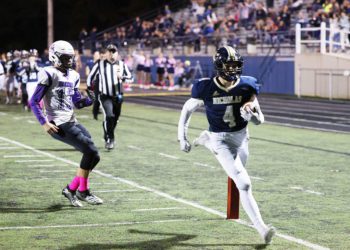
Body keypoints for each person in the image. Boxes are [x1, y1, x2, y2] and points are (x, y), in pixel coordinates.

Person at [177, 46, 275, 244]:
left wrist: (251, 115)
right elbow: (187, 109)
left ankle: (204, 141)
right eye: (228, 65)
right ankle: (262, 229)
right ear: (219, 66)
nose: (232, 69)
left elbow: (260, 120)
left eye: (235, 65)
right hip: (220, 138)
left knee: (239, 177)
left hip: (241, 137)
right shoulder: (205, 87)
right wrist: (182, 137)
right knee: (244, 183)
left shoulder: (247, 85)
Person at [30, 40, 103, 207]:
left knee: (94, 156)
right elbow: (33, 102)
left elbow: (76, 102)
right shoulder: (48, 73)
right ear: (55, 57)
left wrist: (89, 100)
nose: (69, 61)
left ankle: (71, 189)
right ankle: (83, 191)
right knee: (90, 150)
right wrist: (44, 123)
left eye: (70, 57)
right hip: (58, 123)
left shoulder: (74, 75)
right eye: (65, 57)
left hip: (71, 119)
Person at [87, 44, 132, 150]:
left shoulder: (122, 64)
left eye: (114, 51)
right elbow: (90, 79)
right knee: (109, 116)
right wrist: (92, 94)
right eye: (109, 51)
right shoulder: (100, 64)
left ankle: (107, 132)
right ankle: (110, 139)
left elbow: (130, 77)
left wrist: (122, 77)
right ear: (106, 53)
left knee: (115, 118)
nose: (111, 54)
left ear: (117, 53)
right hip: (105, 96)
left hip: (118, 95)